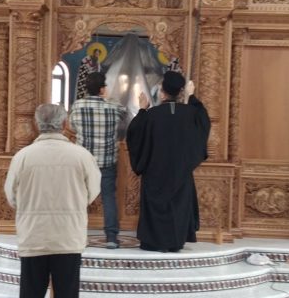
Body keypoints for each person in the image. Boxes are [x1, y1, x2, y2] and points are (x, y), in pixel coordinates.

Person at [5, 104, 101, 298]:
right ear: (64, 124)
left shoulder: (23, 156)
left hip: (33, 236)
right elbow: (92, 192)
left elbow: (11, 195)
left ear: (37, 124)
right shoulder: (80, 155)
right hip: (67, 237)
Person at [126, 71, 210, 252]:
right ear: (180, 92)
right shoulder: (191, 113)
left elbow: (134, 133)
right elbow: (204, 121)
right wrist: (192, 97)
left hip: (155, 173)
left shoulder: (151, 115)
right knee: (178, 206)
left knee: (156, 207)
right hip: (180, 173)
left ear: (162, 93)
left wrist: (142, 109)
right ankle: (175, 242)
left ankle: (153, 242)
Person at [70, 72, 126, 249]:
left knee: (79, 197)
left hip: (83, 161)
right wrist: (107, 98)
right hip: (107, 161)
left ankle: (78, 235)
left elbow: (71, 126)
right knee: (108, 197)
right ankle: (111, 237)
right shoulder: (113, 106)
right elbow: (125, 116)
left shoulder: (78, 105)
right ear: (102, 89)